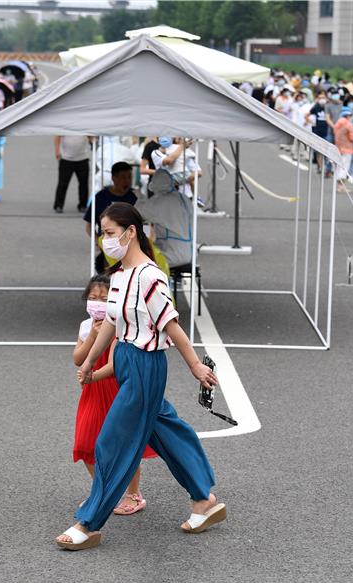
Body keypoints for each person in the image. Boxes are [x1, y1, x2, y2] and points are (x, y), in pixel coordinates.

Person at [56, 202, 226, 551]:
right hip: (128, 362)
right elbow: (113, 325)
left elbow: (171, 324)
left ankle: (88, 523)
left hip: (147, 364)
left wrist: (195, 365)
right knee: (167, 432)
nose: (105, 240)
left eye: (109, 233)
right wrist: (89, 363)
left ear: (130, 232)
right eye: (104, 234)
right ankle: (203, 499)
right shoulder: (118, 276)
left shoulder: (150, 276)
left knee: (112, 441)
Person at [73, 274, 155, 515]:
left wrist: (91, 375)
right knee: (86, 443)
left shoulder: (120, 325)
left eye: (104, 298)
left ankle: (133, 494)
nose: (97, 302)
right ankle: (102, 491)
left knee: (124, 443)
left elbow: (114, 365)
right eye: (93, 297)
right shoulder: (86, 325)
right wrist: (92, 337)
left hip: (116, 390)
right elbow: (78, 357)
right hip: (91, 392)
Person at [83, 161, 137, 270]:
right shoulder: (101, 197)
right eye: (123, 177)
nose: (127, 181)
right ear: (113, 178)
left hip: (130, 247)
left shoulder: (134, 197)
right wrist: (99, 242)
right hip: (108, 246)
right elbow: (89, 226)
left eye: (129, 177)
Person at [53, 135, 91, 213]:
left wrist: (93, 141)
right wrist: (57, 150)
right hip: (66, 159)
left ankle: (83, 205)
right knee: (62, 184)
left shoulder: (85, 124)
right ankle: (58, 205)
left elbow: (91, 136)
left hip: (82, 159)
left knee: (83, 183)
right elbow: (57, 136)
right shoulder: (66, 124)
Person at [334, 105, 353, 190]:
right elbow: (352, 137)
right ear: (348, 115)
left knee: (339, 166)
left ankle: (339, 185)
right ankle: (341, 185)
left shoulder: (337, 123)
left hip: (338, 147)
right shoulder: (349, 125)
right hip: (347, 148)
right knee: (345, 167)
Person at [307, 92, 329, 172]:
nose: (322, 99)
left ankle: (327, 166)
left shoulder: (328, 107)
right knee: (319, 150)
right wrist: (311, 123)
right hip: (318, 130)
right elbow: (306, 115)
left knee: (327, 150)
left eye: (323, 97)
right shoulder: (316, 107)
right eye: (320, 98)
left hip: (327, 131)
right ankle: (319, 166)